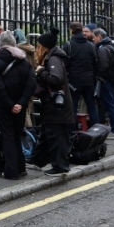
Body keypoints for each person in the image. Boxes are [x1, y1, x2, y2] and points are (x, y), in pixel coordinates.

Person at [0, 32, 35, 180]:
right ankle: (21, 168)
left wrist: (10, 105)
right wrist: (21, 103)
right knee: (17, 134)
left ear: (0, 44)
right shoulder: (25, 61)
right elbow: (31, 83)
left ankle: (11, 171)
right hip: (20, 105)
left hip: (4, 105)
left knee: (7, 135)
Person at [34, 29, 74, 176]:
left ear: (44, 47)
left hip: (56, 107)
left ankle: (60, 166)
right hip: (56, 105)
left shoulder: (53, 59)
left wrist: (41, 71)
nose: (37, 48)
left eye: (39, 46)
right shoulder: (55, 57)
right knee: (48, 134)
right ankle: (37, 160)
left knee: (56, 137)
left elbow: (56, 79)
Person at [92, 28, 114, 140]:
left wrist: (99, 74)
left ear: (99, 37)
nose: (93, 40)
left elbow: (103, 66)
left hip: (105, 80)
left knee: (110, 106)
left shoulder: (102, 49)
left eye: (94, 37)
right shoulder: (111, 47)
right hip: (112, 79)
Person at [64, 22, 99, 128]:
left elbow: (64, 63)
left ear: (71, 30)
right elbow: (95, 63)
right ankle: (96, 130)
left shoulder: (68, 45)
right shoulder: (91, 46)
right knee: (92, 106)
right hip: (89, 80)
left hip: (74, 80)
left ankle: (73, 131)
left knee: (73, 106)